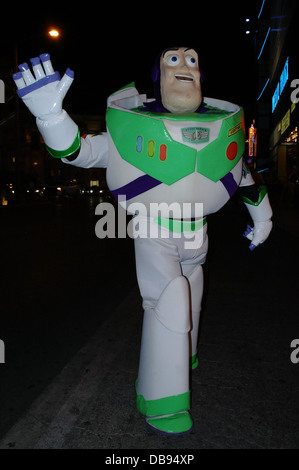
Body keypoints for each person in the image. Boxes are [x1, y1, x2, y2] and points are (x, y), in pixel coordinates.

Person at [13, 47, 273, 435]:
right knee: (170, 298)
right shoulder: (128, 130)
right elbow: (77, 151)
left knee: (192, 291)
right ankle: (161, 399)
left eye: (192, 60)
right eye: (173, 60)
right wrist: (50, 114)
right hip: (155, 232)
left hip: (198, 231)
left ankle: (184, 354)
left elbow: (245, 175)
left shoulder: (222, 127)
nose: (184, 66)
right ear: (157, 77)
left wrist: (263, 215)